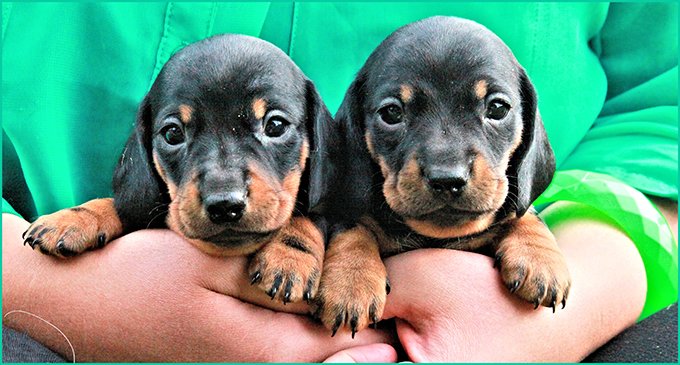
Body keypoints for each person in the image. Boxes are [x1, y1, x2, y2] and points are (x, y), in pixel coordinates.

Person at [2, 2, 677, 362]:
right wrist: (54, 294)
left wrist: (589, 285)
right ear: (352, 130)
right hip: (43, 321)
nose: (445, 165)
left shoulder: (344, 166)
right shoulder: (339, 178)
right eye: (392, 115)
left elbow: (662, 99)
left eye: (492, 109)